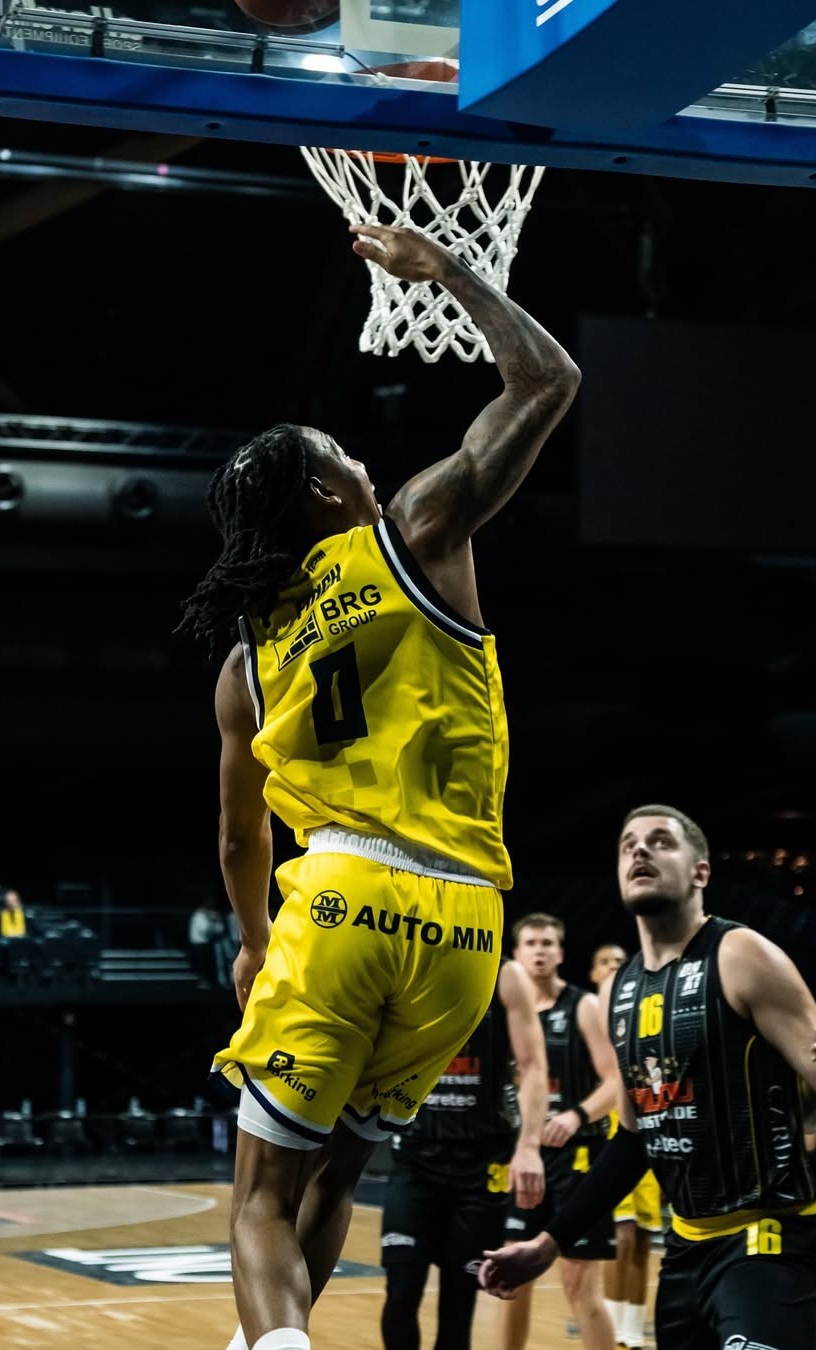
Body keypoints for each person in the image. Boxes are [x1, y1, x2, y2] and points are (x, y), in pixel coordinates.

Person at [177, 219, 580, 1350]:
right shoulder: (416, 530)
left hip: (343, 899)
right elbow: (549, 379)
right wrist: (448, 270)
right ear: (325, 487)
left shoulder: (248, 659)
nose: (362, 463)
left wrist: (254, 941)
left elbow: (238, 837)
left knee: (261, 1196)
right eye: (345, 454)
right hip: (466, 924)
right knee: (337, 1180)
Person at [480, 804, 816, 1350]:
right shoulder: (621, 989)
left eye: (661, 841)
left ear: (701, 872)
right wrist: (549, 1244)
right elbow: (634, 1140)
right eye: (628, 845)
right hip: (685, 1253)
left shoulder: (742, 955)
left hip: (769, 1245)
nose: (640, 850)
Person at [380, 958, 549, 1350]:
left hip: (481, 1166)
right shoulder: (405, 961)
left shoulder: (505, 973)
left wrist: (528, 1146)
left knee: (459, 1300)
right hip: (415, 1159)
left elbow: (533, 1067)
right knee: (401, 1288)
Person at [504, 914, 620, 1350]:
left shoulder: (583, 1006)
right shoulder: (505, 1013)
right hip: (522, 1158)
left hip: (578, 1158)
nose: (540, 950)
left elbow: (615, 1080)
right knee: (510, 1280)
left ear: (561, 953)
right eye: (531, 943)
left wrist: (576, 1115)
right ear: (516, 955)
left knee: (580, 1285)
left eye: (547, 943)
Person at [589, 942, 662, 1350]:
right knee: (622, 1236)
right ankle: (615, 1328)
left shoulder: (643, 1011)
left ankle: (632, 1333)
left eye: (620, 962)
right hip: (608, 1133)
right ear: (593, 973)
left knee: (644, 1237)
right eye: (605, 962)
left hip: (649, 1126)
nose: (614, 967)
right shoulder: (588, 1016)